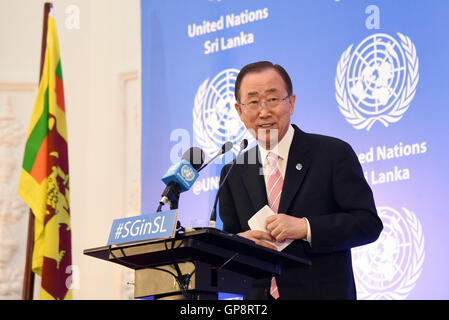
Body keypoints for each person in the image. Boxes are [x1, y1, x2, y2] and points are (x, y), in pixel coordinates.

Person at [218, 61, 383, 299]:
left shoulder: (332, 154)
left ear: (291, 103)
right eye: (253, 102)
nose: (264, 111)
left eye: (273, 99)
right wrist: (239, 244)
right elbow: (231, 243)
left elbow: (367, 224)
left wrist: (306, 227)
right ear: (239, 111)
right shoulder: (234, 173)